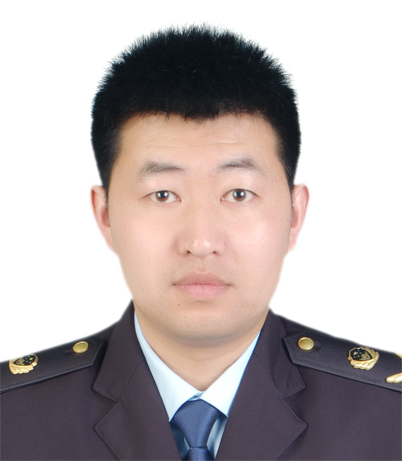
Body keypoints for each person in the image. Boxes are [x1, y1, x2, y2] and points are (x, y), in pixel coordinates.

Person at [1, 20, 401, 461]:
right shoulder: (12, 420)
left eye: (238, 193)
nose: (201, 241)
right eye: (163, 194)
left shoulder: (389, 417)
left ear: (295, 215)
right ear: (105, 215)